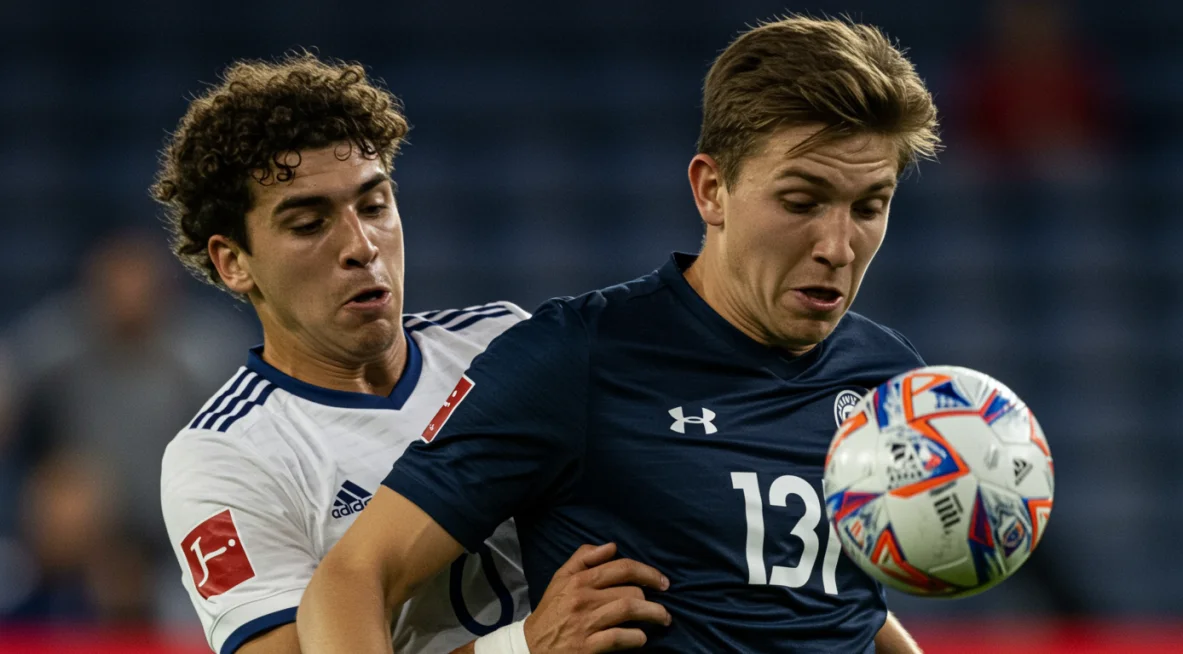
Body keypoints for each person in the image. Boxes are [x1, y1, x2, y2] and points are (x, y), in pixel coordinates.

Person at [299, 15, 937, 653]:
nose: (837, 246)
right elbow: (353, 578)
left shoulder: (887, 377)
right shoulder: (576, 358)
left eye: (869, 207)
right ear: (712, 190)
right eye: (801, 202)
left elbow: (844, 605)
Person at [156, 54, 668, 654]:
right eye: (308, 223)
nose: (361, 245)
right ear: (234, 262)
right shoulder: (224, 456)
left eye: (374, 206)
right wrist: (524, 647)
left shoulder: (504, 340)